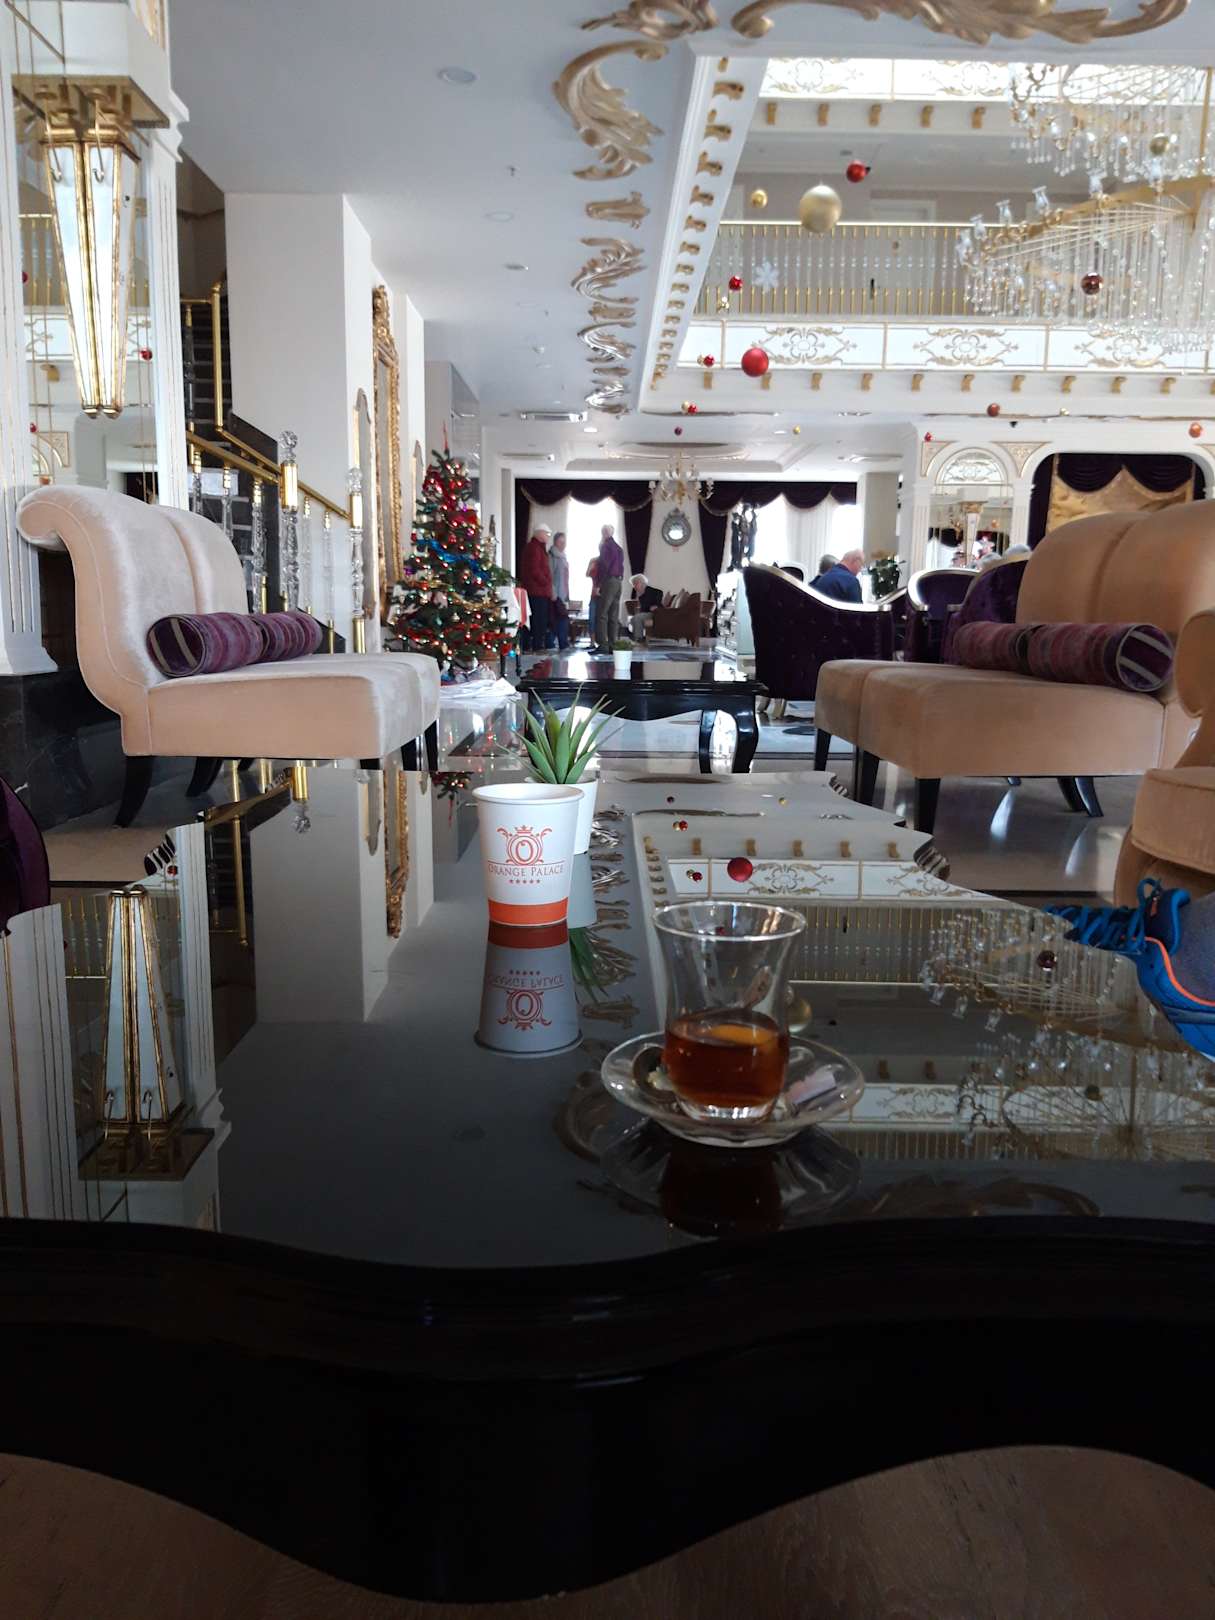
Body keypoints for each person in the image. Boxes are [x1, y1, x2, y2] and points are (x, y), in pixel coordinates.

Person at [520, 524, 553, 651]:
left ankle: (536, 645)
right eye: (547, 534)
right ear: (539, 534)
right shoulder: (534, 548)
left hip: (539, 590)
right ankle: (537, 646)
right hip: (536, 590)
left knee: (539, 619)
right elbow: (534, 569)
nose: (548, 537)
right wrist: (545, 582)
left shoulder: (538, 548)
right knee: (538, 620)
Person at [595, 523, 625, 650]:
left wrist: (598, 584)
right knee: (613, 615)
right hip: (618, 582)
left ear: (604, 533)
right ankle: (613, 645)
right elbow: (621, 566)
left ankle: (603, 645)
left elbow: (604, 567)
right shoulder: (618, 548)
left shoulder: (605, 546)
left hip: (609, 582)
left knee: (602, 614)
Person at [549, 531, 571, 651]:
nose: (563, 544)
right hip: (555, 593)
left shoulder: (563, 556)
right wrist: (553, 591)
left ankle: (560, 642)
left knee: (559, 618)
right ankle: (562, 643)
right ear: (555, 542)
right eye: (561, 542)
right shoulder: (552, 556)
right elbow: (550, 574)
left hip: (563, 593)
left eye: (564, 542)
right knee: (561, 618)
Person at [626, 571, 663, 640]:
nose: (634, 586)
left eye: (635, 583)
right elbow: (644, 608)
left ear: (642, 582)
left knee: (637, 618)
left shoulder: (652, 591)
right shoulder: (641, 594)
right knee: (633, 619)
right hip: (648, 613)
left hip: (656, 614)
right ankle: (639, 638)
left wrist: (656, 605)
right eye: (633, 584)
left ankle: (638, 639)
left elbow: (660, 593)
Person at [585, 556, 600, 646]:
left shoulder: (607, 561)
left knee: (602, 619)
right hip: (594, 595)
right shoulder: (594, 561)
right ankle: (592, 643)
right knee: (592, 619)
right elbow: (587, 574)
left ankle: (602, 642)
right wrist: (591, 564)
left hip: (605, 595)